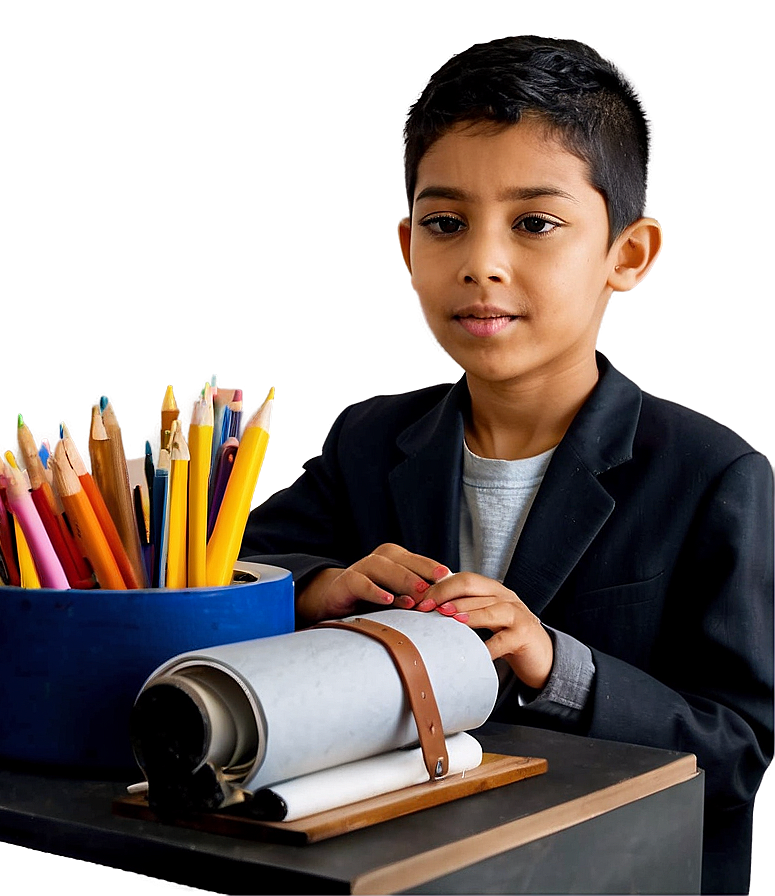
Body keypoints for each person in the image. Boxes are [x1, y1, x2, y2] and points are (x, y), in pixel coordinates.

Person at [240, 35, 773, 893]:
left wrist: (555, 664)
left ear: (626, 256)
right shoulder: (368, 440)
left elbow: (741, 754)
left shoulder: (713, 474)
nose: (481, 263)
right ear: (404, 246)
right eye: (444, 224)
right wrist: (321, 585)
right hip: (399, 863)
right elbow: (238, 572)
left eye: (536, 223)